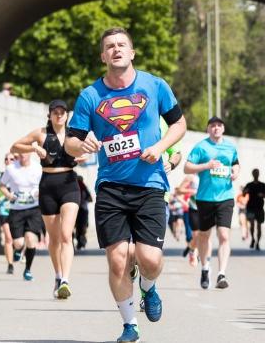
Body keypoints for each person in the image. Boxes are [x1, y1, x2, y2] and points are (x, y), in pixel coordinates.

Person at [65, 27, 186, 343]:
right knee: (118, 259)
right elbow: (70, 143)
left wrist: (160, 148)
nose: (116, 49)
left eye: (122, 45)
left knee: (150, 260)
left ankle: (148, 286)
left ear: (132, 52)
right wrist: (83, 146)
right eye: (109, 46)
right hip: (111, 187)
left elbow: (179, 123)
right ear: (103, 56)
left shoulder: (155, 86)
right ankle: (130, 325)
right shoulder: (90, 96)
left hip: (149, 185)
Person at [12, 99, 83, 299]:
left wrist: (83, 155)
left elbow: (88, 149)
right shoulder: (40, 134)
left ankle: (66, 281)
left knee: (66, 235)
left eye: (62, 112)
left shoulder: (74, 134)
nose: (59, 115)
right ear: (50, 115)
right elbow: (14, 147)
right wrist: (34, 149)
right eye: (55, 112)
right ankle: (58, 275)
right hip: (48, 185)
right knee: (53, 237)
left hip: (69, 183)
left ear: (67, 115)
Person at [185, 116, 239, 290]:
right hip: (205, 198)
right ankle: (205, 268)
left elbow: (236, 163)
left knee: (224, 235)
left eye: (219, 125)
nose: (216, 128)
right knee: (204, 235)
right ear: (208, 129)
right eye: (213, 126)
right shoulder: (201, 147)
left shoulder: (230, 146)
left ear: (223, 129)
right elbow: (187, 167)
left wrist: (235, 173)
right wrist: (206, 166)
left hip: (226, 197)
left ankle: (221, 274)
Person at [0, 153, 43, 281]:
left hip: (34, 209)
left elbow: (43, 185)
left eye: (25, 152)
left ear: (30, 153)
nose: (23, 155)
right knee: (18, 243)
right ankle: (18, 250)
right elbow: (2, 185)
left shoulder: (37, 168)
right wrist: (9, 196)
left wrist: (39, 193)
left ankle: (28, 270)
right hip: (16, 210)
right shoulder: (11, 169)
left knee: (31, 239)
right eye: (20, 152)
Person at [0, 152, 16, 274]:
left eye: (11, 159)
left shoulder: (19, 174)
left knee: (18, 239)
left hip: (17, 209)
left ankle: (18, 251)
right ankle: (10, 264)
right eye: (6, 159)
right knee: (8, 237)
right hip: (3, 209)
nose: (8, 161)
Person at [243, 169, 265, 251]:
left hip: (259, 208)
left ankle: (258, 242)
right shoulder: (249, 185)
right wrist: (245, 191)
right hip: (250, 207)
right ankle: (253, 239)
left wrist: (262, 195)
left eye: (257, 173)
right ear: (252, 174)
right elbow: (243, 193)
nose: (256, 174)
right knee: (252, 225)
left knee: (259, 226)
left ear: (259, 174)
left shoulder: (262, 185)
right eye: (255, 173)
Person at [178, 175, 199, 266]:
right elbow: (178, 195)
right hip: (187, 210)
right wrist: (185, 202)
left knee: (199, 235)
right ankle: (191, 249)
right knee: (189, 233)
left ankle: (193, 252)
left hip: (199, 210)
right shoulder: (187, 185)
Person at [75, 175, 93, 250]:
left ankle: (81, 242)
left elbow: (90, 199)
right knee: (80, 227)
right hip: (77, 210)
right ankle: (80, 242)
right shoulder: (75, 188)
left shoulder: (84, 188)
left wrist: (83, 200)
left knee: (82, 227)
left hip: (82, 209)